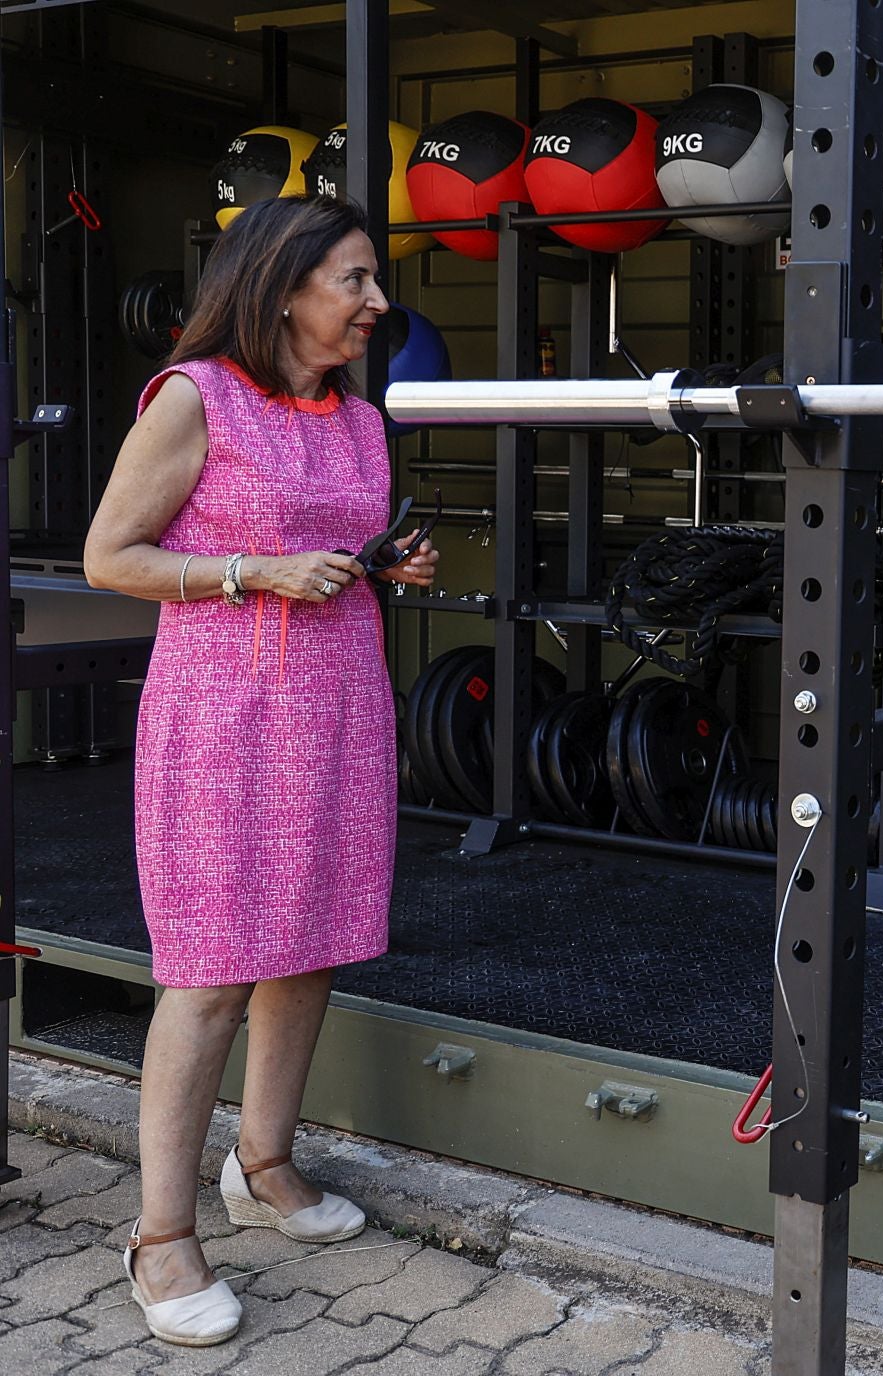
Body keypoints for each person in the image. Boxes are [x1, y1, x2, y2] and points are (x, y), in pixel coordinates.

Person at [82, 194, 439, 1346]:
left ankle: (265, 1161)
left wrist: (390, 565)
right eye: (356, 280)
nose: (378, 303)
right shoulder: (196, 398)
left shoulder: (360, 420)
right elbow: (109, 556)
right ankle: (159, 1233)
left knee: (314, 940)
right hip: (224, 717)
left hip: (338, 707)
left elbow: (336, 551)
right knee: (214, 970)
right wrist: (252, 571)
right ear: (284, 285)